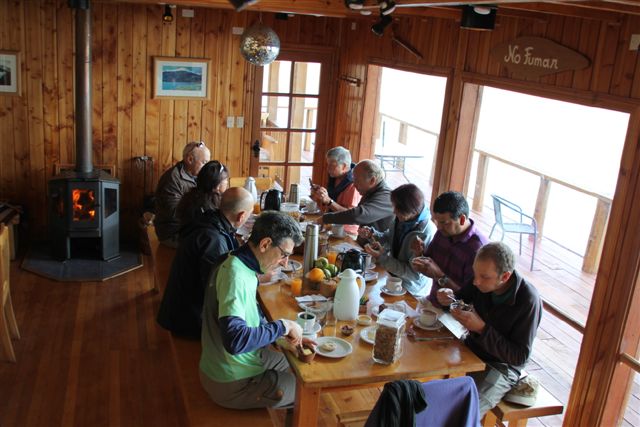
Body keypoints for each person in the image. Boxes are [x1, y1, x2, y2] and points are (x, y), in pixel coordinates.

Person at [199, 211, 312, 410]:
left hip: (234, 363)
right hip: (232, 381)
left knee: (299, 366)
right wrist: (283, 326)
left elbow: (250, 321)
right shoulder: (235, 276)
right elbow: (235, 340)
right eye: (284, 255)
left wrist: (282, 340)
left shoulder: (238, 262)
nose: (285, 262)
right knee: (308, 392)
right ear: (266, 244)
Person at [436, 242, 543, 416]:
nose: (476, 281)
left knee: (462, 414)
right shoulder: (480, 280)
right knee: (426, 388)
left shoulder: (528, 300)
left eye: (484, 277)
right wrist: (449, 298)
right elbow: (461, 298)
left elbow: (519, 356)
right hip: (473, 347)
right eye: (475, 273)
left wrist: (482, 329)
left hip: (501, 366)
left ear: (505, 276)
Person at [156, 187, 254, 339]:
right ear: (241, 216)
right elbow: (219, 289)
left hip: (179, 310)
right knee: (248, 325)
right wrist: (254, 279)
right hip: (188, 320)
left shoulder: (211, 221)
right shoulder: (213, 239)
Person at [411, 191, 488, 306]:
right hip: (432, 300)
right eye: (437, 222)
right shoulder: (443, 232)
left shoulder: (478, 249)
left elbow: (469, 298)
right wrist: (419, 254)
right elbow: (429, 266)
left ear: (462, 219)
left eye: (444, 223)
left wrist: (440, 276)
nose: (439, 227)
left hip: (455, 314)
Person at [359, 184, 436, 296]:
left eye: (397, 209)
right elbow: (388, 237)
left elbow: (413, 275)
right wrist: (372, 234)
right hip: (392, 278)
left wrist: (382, 258)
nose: (394, 212)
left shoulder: (425, 233)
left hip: (411, 290)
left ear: (412, 212)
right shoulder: (403, 218)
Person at [154, 141, 211, 247]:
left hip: (190, 227)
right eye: (204, 162)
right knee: (210, 243)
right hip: (173, 233)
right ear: (190, 159)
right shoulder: (172, 179)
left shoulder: (197, 175)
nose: (206, 167)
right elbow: (174, 213)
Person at [320, 159, 394, 237]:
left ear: (372, 180)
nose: (354, 185)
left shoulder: (387, 197)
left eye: (357, 181)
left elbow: (357, 215)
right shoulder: (370, 191)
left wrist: (326, 218)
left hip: (376, 248)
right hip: (364, 246)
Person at [309, 146, 361, 235]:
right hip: (331, 224)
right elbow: (330, 202)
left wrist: (329, 201)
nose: (328, 168)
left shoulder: (354, 185)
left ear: (344, 166)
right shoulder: (335, 177)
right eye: (327, 164)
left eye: (332, 165)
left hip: (346, 232)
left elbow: (350, 215)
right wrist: (320, 195)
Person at [176, 160, 230, 231]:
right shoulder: (207, 208)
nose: (227, 183)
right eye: (226, 180)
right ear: (217, 186)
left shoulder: (192, 195)